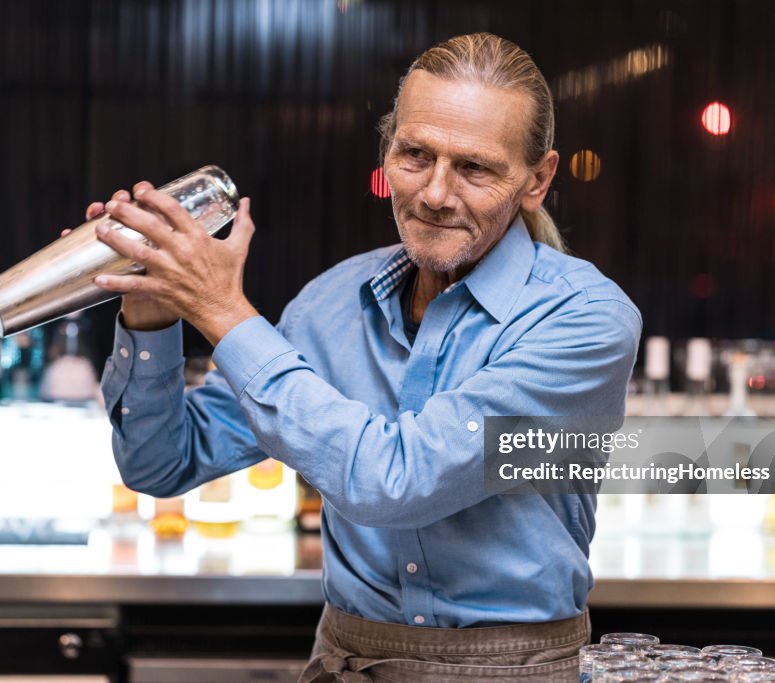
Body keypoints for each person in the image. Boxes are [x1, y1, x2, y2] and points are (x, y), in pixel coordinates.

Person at [92, 33, 641, 683]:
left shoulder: (583, 321)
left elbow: (398, 479)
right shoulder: (330, 303)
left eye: (475, 168)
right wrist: (153, 303)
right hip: (345, 658)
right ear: (388, 150)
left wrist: (221, 311)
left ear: (537, 179)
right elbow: (161, 460)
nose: (436, 193)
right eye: (415, 155)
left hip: (513, 671)